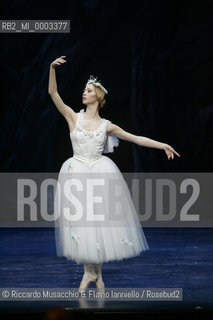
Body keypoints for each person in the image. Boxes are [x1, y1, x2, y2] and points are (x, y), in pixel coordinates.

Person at [48, 56, 181, 293]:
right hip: (76, 172)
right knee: (82, 224)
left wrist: (163, 145)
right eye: (84, 90)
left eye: (88, 91)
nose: (84, 93)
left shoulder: (106, 126)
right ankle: (92, 273)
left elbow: (136, 138)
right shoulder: (73, 117)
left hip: (99, 173)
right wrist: (51, 70)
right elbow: (53, 94)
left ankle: (94, 274)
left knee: (98, 223)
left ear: (98, 96)